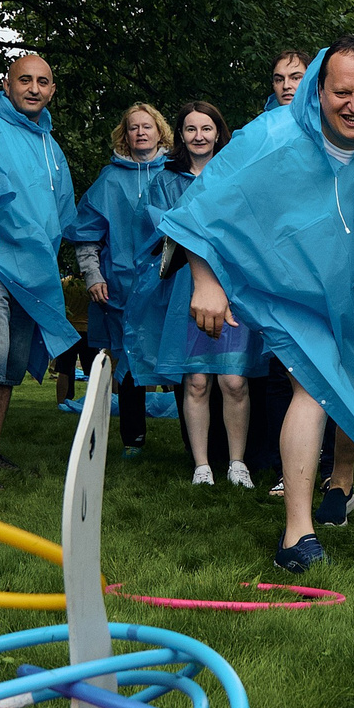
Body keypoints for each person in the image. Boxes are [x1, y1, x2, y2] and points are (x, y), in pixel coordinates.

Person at [158, 40, 354, 572]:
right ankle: (298, 533)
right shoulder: (271, 138)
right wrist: (205, 280)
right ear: (319, 91)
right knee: (313, 388)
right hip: (289, 289)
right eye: (342, 92)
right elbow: (198, 210)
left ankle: (340, 482)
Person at [0, 52, 81, 484]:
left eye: (42, 82)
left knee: (10, 365)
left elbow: (63, 216)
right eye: (24, 80)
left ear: (52, 91)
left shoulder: (51, 147)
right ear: (6, 86)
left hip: (33, 278)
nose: (33, 88)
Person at [139, 102, 268, 484]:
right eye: (191, 129)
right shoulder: (164, 181)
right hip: (186, 289)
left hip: (232, 287)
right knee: (196, 381)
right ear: (180, 135)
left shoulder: (235, 174)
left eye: (206, 128)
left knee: (234, 381)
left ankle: (237, 463)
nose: (199, 136)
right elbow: (159, 229)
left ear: (218, 132)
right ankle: (201, 465)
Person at [66, 102, 173, 464]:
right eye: (133, 127)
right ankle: (133, 439)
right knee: (127, 363)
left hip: (167, 286)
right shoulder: (109, 180)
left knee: (177, 359)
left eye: (147, 126)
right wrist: (93, 275)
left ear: (160, 131)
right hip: (120, 287)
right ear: (124, 135)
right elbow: (86, 235)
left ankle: (196, 446)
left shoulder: (174, 174)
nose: (141, 132)